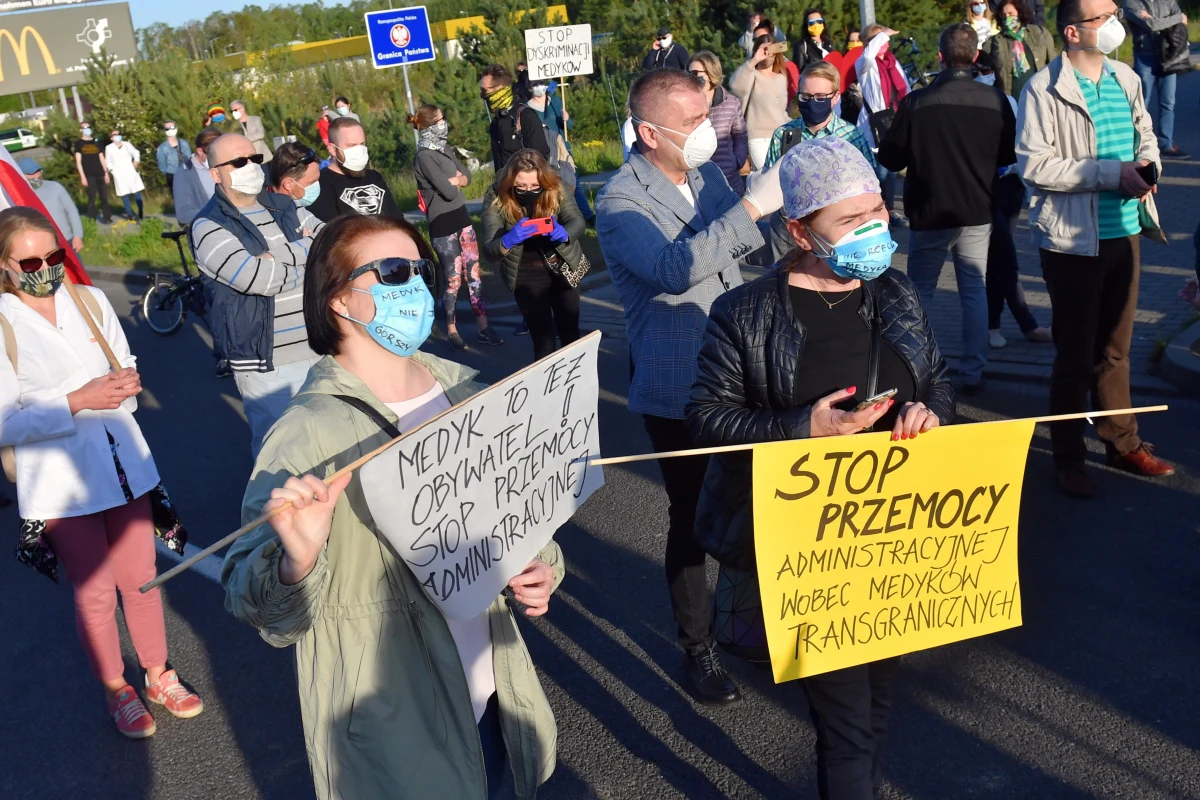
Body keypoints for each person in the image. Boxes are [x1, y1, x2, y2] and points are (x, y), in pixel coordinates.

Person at [222, 212, 563, 800]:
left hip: (494, 688)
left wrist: (541, 566)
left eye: (420, 270)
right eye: (393, 272)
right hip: (393, 718)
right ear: (337, 301)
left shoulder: (468, 394)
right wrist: (294, 561)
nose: (415, 286)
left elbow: (517, 512)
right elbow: (251, 600)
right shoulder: (306, 432)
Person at [686, 137, 954, 800]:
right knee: (847, 723)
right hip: (812, 548)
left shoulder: (895, 292)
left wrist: (930, 411)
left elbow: (937, 376)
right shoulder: (744, 314)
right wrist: (802, 426)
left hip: (893, 539)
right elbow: (706, 418)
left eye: (877, 213)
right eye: (850, 221)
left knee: (878, 695)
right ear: (800, 232)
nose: (873, 230)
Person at [595, 68, 783, 706]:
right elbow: (675, 269)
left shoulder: (703, 173)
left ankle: (748, 620)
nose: (709, 132)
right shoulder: (621, 202)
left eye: (709, 115)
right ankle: (697, 647)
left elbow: (739, 242)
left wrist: (789, 208)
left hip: (740, 366)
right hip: (677, 383)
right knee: (694, 518)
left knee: (754, 503)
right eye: (695, 122)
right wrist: (755, 206)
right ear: (649, 132)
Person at [0, 206, 204, 738]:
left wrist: (124, 383)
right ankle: (117, 688)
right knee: (93, 592)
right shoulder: (4, 324)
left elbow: (123, 361)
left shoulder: (86, 299)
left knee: (141, 578)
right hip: (61, 483)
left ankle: (158, 673)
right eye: (30, 260)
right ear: (4, 266)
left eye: (55, 255)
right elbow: (3, 422)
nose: (45, 267)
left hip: (123, 463)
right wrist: (76, 400)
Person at [1016, 0, 1173, 497]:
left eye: (1113, 14)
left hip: (1125, 230)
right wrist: (1111, 174)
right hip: (1072, 242)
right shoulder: (1042, 89)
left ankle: (1122, 442)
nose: (1114, 24)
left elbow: (1143, 132)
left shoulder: (1126, 76)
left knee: (1116, 350)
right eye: (1102, 17)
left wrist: (1149, 165)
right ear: (1072, 32)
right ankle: (1067, 456)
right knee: (1075, 353)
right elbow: (1035, 166)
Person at [877, 22, 1015, 396]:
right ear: (973, 57)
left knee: (920, 292)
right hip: (978, 208)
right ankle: (973, 370)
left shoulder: (917, 102)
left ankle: (916, 367)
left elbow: (890, 159)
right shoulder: (997, 101)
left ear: (940, 57)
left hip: (930, 209)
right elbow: (1006, 156)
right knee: (974, 289)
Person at [188, 134, 323, 457]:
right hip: (267, 366)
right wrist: (307, 252)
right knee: (282, 456)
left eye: (254, 158)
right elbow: (257, 279)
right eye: (238, 161)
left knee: (330, 444)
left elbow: (330, 242)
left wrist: (278, 258)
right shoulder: (207, 226)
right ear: (216, 174)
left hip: (321, 349)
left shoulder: (284, 206)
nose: (250, 166)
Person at [974, 50, 1051, 348]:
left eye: (988, 68)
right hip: (984, 191)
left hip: (1010, 187)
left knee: (999, 262)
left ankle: (993, 325)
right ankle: (1026, 324)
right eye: (979, 68)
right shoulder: (965, 103)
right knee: (1005, 259)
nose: (984, 73)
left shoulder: (1007, 100)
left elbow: (1022, 145)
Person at [411, 105, 502, 350]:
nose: (445, 123)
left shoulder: (444, 149)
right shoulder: (424, 156)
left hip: (462, 219)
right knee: (453, 280)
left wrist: (455, 180)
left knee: (474, 276)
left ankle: (484, 327)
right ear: (430, 125)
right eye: (441, 119)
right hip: (442, 224)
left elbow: (467, 177)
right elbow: (450, 192)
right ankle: (451, 329)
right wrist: (454, 181)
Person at [481, 149, 584, 361]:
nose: (528, 190)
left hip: (561, 266)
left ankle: (576, 387)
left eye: (535, 186)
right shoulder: (496, 195)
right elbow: (490, 250)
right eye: (521, 186)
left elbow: (577, 220)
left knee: (571, 336)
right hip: (526, 275)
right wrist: (509, 239)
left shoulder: (556, 185)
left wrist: (564, 233)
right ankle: (548, 391)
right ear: (510, 181)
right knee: (544, 342)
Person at [765, 61, 876, 170]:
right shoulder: (783, 135)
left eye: (820, 97)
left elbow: (871, 184)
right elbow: (769, 182)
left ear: (836, 96)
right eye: (805, 96)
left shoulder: (854, 137)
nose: (812, 102)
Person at [854, 24, 911, 226]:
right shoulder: (864, 64)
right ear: (870, 43)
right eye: (879, 40)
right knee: (878, 170)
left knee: (891, 170)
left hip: (894, 120)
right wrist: (884, 33)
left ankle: (890, 211)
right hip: (875, 124)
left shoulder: (892, 63)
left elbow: (905, 87)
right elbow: (869, 56)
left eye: (886, 40)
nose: (885, 42)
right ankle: (876, 211)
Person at [1126, 0, 1190, 159]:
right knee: (1141, 103)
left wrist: (1156, 20)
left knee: (1168, 103)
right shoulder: (1131, 2)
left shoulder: (1168, 1)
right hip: (1144, 57)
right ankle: (1137, 147)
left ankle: (1167, 145)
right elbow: (1151, 25)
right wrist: (1176, 18)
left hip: (1168, 56)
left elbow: (1182, 25)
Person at [309, 117, 402, 222]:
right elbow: (332, 232)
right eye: (351, 145)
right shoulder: (321, 184)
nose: (359, 150)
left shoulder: (374, 177)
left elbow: (397, 219)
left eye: (362, 144)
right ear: (333, 149)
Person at [688, 51, 748, 195]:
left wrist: (737, 161)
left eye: (696, 73)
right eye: (689, 73)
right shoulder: (686, 105)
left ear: (710, 74)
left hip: (729, 181)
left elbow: (740, 136)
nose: (691, 78)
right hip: (698, 182)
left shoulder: (731, 103)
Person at [730, 36, 791, 170]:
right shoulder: (751, 75)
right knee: (766, 174)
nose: (768, 54)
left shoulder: (781, 79)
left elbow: (781, 110)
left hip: (781, 136)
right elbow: (735, 85)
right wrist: (755, 60)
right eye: (764, 49)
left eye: (771, 49)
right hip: (758, 137)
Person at [479, 64, 551, 174]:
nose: (482, 96)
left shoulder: (525, 116)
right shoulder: (495, 123)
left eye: (485, 91)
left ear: (500, 89)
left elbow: (541, 157)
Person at [987, 0, 1057, 97]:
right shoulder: (996, 41)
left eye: (1010, 14)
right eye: (1004, 15)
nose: (1007, 17)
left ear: (1019, 13)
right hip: (1010, 100)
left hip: (1039, 97)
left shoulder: (1039, 34)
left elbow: (1055, 64)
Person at [21, 157, 83, 253]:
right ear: (21, 175)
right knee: (55, 269)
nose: (36, 176)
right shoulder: (20, 195)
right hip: (42, 248)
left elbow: (72, 211)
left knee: (76, 268)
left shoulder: (55, 187)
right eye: (30, 174)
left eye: (38, 171)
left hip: (66, 242)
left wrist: (78, 235)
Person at [173, 126, 221, 226]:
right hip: (209, 228)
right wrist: (216, 214)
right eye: (212, 153)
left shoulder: (225, 164)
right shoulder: (184, 172)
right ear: (200, 151)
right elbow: (183, 214)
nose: (218, 157)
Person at [74, 122, 110, 225]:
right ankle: (92, 219)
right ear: (81, 130)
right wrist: (82, 177)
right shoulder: (79, 143)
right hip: (88, 174)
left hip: (100, 172)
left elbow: (101, 157)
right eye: (84, 127)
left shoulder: (96, 142)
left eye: (88, 127)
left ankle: (107, 217)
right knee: (92, 197)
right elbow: (78, 162)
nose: (87, 129)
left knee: (104, 196)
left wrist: (106, 172)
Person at [105, 130, 144, 222]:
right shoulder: (109, 148)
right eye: (115, 135)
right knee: (124, 194)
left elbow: (136, 152)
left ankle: (140, 212)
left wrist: (136, 160)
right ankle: (129, 214)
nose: (117, 136)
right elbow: (108, 161)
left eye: (119, 134)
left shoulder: (127, 144)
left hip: (130, 172)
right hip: (119, 174)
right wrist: (112, 170)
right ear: (111, 138)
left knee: (136, 193)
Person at [155, 121, 191, 193]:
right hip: (172, 176)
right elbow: (162, 165)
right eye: (167, 129)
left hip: (187, 173)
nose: (169, 130)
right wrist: (170, 172)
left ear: (176, 129)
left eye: (171, 128)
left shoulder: (184, 143)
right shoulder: (162, 148)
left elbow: (190, 158)